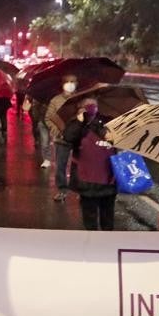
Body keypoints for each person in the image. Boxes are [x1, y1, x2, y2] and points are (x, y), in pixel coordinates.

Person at [62, 98, 116, 230]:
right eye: (86, 106)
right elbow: (68, 137)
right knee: (90, 219)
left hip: (108, 180)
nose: (90, 108)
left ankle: (107, 244)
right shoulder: (76, 123)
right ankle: (92, 243)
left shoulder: (107, 121)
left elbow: (119, 138)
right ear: (80, 108)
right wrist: (80, 122)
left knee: (107, 218)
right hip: (86, 182)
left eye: (93, 105)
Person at [51, 76, 79, 201]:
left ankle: (79, 189)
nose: (70, 84)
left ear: (77, 84)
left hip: (78, 139)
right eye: (67, 82)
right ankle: (62, 190)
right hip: (61, 139)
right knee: (60, 166)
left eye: (72, 82)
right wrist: (58, 131)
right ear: (62, 84)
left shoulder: (81, 99)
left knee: (78, 165)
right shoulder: (56, 100)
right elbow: (49, 118)